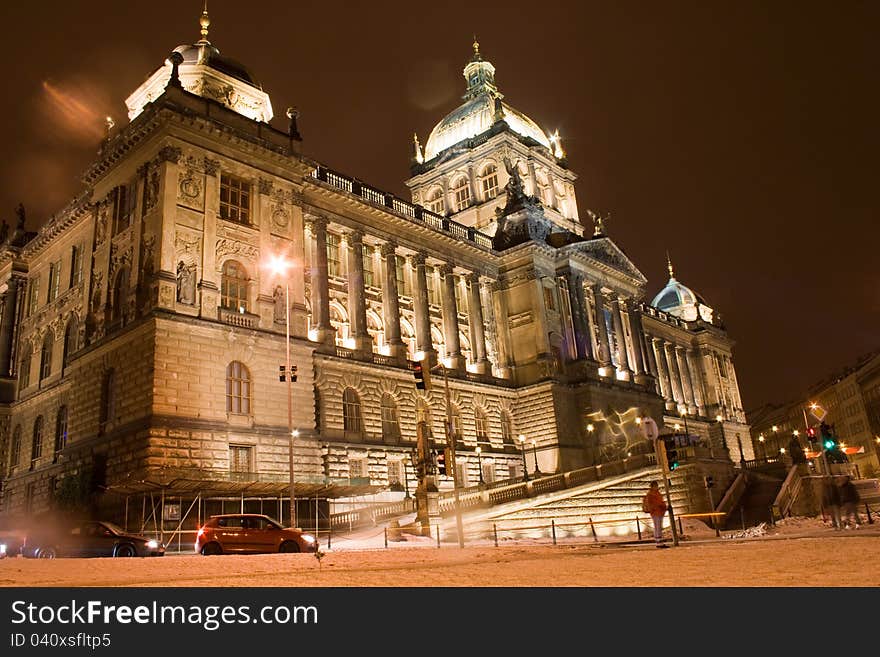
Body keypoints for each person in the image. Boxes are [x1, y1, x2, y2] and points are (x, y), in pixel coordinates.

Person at [642, 480, 668, 548]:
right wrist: (659, 506)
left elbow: (660, 502)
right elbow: (653, 504)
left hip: (659, 511)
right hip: (656, 512)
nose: (656, 487)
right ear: (653, 486)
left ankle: (659, 541)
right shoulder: (651, 494)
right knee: (657, 527)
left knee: (658, 527)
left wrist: (663, 507)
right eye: (655, 486)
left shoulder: (656, 493)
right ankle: (658, 542)